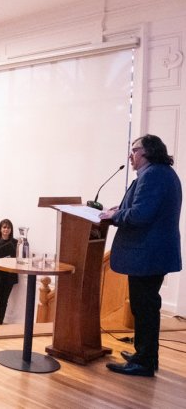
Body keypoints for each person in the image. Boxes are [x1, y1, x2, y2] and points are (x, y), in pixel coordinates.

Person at [101, 134, 182, 377]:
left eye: (134, 150)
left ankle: (144, 362)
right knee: (144, 306)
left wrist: (113, 216)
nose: (131, 155)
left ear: (147, 152)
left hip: (148, 254)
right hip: (152, 254)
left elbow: (140, 215)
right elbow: (142, 208)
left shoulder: (154, 175)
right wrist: (121, 209)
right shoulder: (160, 173)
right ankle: (145, 355)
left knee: (144, 307)